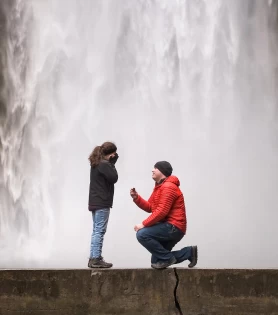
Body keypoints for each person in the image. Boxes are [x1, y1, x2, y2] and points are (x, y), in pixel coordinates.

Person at [130, 161, 197, 269]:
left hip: (173, 227)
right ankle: (188, 252)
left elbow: (162, 211)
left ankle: (169, 257)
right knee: (156, 262)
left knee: (142, 234)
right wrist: (137, 198)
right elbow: (150, 207)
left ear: (162, 171)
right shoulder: (159, 187)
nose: (152, 170)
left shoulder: (168, 187)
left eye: (155, 168)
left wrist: (143, 224)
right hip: (169, 227)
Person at [87, 141, 119, 268]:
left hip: (95, 201)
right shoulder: (105, 164)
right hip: (102, 202)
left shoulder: (96, 163)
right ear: (111, 154)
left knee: (96, 230)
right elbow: (114, 178)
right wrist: (112, 164)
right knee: (99, 230)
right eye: (114, 153)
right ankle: (95, 258)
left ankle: (93, 257)